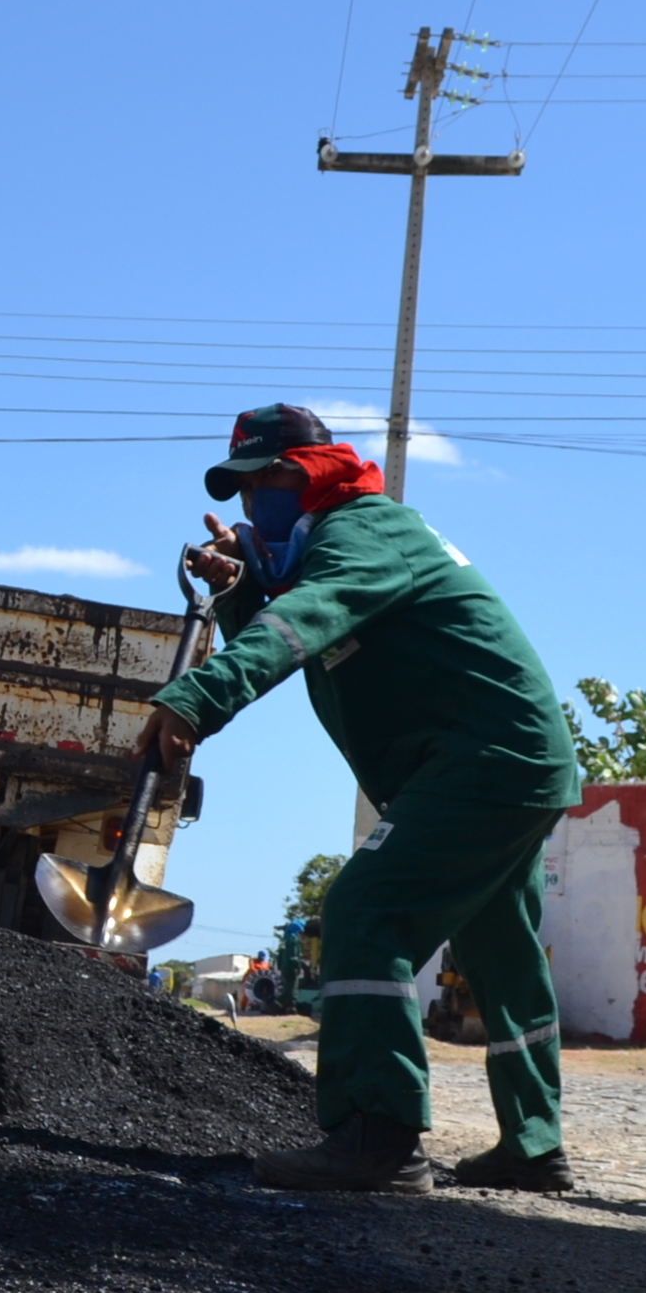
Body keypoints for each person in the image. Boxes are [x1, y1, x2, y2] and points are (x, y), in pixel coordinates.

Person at [136, 404, 584, 1195]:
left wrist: (195, 697)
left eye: (259, 482)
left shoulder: (364, 532)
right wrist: (244, 588)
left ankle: (379, 1137)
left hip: (484, 762)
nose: (248, 505)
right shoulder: (329, 552)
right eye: (238, 492)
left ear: (305, 472)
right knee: (502, 949)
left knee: (363, 911)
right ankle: (535, 1145)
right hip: (508, 763)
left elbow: (307, 619)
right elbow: (292, 616)